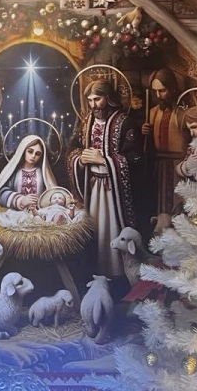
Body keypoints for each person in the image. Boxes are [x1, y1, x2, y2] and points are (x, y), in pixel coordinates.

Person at [67, 79, 141, 277]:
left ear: (108, 98)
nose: (94, 105)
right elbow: (73, 149)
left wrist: (105, 160)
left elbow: (135, 158)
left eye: (97, 99)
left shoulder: (125, 122)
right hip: (92, 187)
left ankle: (117, 273)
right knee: (95, 229)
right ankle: (94, 272)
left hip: (114, 190)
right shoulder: (86, 123)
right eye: (90, 100)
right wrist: (80, 160)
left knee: (112, 228)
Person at [143, 69, 186, 214]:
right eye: (155, 91)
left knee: (177, 203)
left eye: (162, 91)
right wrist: (145, 132)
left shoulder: (182, 112)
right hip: (159, 165)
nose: (157, 96)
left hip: (178, 165)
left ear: (172, 88)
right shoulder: (153, 112)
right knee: (160, 202)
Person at [0, 134, 58, 210]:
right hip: (17, 212)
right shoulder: (15, 172)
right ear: (23, 150)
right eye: (30, 151)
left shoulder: (43, 173)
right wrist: (20, 200)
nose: (33, 156)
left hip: (40, 212)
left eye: (38, 154)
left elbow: (52, 192)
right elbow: (1, 193)